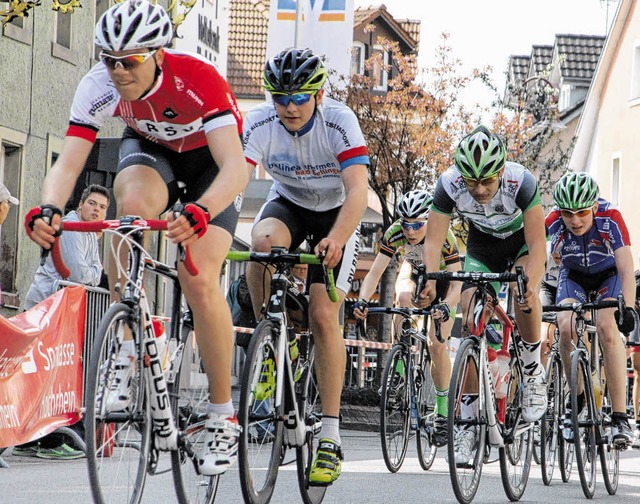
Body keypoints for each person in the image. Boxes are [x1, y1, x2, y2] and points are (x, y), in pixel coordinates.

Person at [23, 0, 247, 476]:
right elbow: (68, 162)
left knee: (200, 279)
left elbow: (234, 167)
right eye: (110, 60)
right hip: (151, 152)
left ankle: (222, 414)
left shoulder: (199, 78)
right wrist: (47, 208)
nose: (119, 71)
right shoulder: (98, 85)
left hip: (211, 165)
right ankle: (129, 341)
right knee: (130, 215)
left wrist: (202, 211)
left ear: (159, 55)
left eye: (131, 61)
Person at [243, 48, 370, 486]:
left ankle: (331, 437)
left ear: (318, 94)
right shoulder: (260, 122)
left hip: (336, 213)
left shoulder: (339, 120)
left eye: (299, 98)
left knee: (321, 315)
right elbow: (233, 181)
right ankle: (270, 344)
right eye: (281, 98)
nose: (290, 107)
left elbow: (358, 192)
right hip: (291, 205)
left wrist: (336, 236)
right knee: (260, 246)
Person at [420, 125, 547, 464]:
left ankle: (533, 369)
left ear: (501, 171)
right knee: (472, 315)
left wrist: (531, 284)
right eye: (472, 181)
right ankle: (468, 422)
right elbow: (433, 242)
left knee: (523, 288)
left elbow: (538, 247)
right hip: (482, 244)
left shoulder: (521, 182)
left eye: (487, 181)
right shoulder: (449, 184)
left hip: (520, 243)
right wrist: (433, 282)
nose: (478, 189)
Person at [353, 189, 461, 446]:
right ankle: (399, 370)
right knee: (402, 298)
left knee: (436, 345)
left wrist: (446, 306)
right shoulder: (395, 233)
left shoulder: (444, 235)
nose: (410, 231)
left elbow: (457, 284)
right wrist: (363, 301)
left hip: (444, 282)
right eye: (406, 224)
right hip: (414, 273)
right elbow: (374, 272)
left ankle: (443, 411)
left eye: (417, 225)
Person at [546, 172, 635, 446]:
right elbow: (538, 257)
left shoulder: (611, 217)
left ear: (594, 207)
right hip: (572, 276)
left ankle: (620, 418)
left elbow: (626, 268)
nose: (575, 220)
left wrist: (628, 308)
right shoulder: (552, 221)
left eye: (583, 212)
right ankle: (578, 398)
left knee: (609, 329)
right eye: (568, 213)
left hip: (608, 275)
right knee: (565, 326)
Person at [24, 184, 110, 310]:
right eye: (92, 203)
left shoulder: (91, 231)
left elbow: (97, 269)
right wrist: (94, 274)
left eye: (102, 207)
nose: (96, 209)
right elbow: (78, 275)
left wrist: (92, 273)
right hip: (43, 305)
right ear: (81, 204)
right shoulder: (70, 227)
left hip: (60, 306)